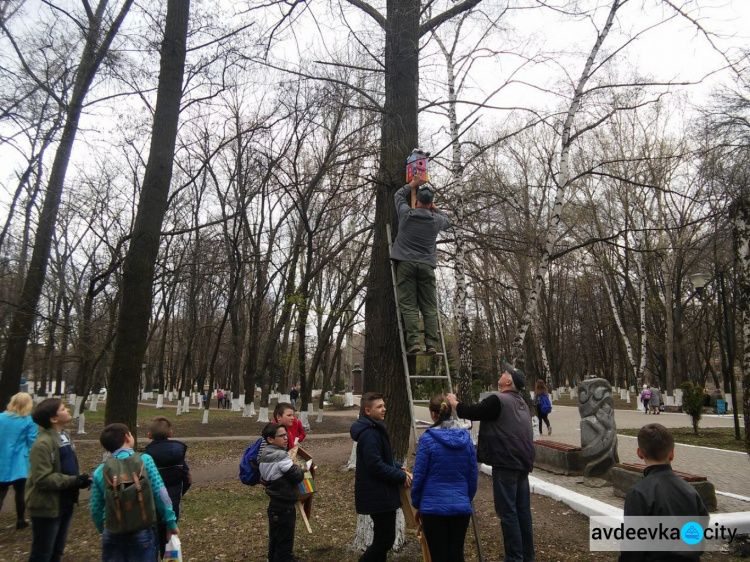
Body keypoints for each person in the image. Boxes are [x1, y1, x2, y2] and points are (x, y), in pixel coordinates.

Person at [446, 364, 535, 562]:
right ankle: (527, 557)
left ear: (509, 381)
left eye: (505, 372)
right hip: (522, 463)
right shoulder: (521, 403)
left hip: (506, 463)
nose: (502, 373)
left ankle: (514, 558)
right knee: (522, 512)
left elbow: (472, 411)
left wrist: (454, 402)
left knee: (507, 512)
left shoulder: (498, 400)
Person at [619, 424, 708, 562]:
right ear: (672, 453)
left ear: (639, 453)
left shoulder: (638, 493)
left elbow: (633, 545)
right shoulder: (690, 491)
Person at [90, 423, 178, 561]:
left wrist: (104, 529)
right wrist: (171, 522)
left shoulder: (100, 471)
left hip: (113, 533)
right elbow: (161, 494)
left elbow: (95, 508)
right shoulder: (144, 461)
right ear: (127, 437)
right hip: (141, 530)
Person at [390, 174, 451, 355]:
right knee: (430, 307)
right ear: (430, 203)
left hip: (406, 265)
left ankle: (414, 342)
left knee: (409, 305)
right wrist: (436, 209)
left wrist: (412, 184)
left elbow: (398, 196)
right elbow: (448, 221)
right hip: (426, 266)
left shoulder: (407, 215)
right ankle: (431, 344)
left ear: (416, 202)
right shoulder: (436, 220)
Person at [411, 396, 477, 562]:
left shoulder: (427, 440)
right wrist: (465, 499)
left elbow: (419, 476)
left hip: (433, 508)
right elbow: (472, 476)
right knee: (456, 554)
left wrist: (417, 504)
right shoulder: (466, 439)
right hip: (461, 508)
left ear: (433, 415)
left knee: (438, 555)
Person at [25, 398, 91, 562]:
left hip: (64, 502)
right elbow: (43, 479)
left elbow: (66, 465)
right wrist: (74, 481)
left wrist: (81, 479)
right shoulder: (43, 443)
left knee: (57, 552)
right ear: (53, 419)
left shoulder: (64, 436)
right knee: (42, 554)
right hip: (47, 506)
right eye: (63, 409)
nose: (68, 410)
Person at [350, 392, 412, 562]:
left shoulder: (375, 428)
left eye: (384, 405)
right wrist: (399, 475)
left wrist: (398, 465)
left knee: (383, 540)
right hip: (379, 494)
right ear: (368, 411)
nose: (384, 409)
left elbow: (381, 458)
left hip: (381, 494)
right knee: (384, 541)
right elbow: (374, 465)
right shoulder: (370, 433)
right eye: (379, 407)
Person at [144, 416, 192, 557]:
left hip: (152, 505)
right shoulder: (178, 454)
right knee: (170, 536)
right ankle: (168, 557)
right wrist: (179, 493)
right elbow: (188, 478)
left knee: (153, 537)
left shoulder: (146, 457)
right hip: (173, 503)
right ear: (170, 433)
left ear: (149, 435)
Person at [259, 422, 305, 562]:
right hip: (285, 506)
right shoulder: (280, 456)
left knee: (275, 541)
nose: (286, 438)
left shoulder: (264, 454)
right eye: (281, 436)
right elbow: (297, 476)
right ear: (270, 439)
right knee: (284, 544)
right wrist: (297, 466)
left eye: (286, 434)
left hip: (274, 504)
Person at [0, 392, 37, 530]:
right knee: (21, 492)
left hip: (2, 459)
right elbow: (32, 441)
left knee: (1, 492)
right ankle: (20, 520)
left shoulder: (1, 418)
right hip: (20, 462)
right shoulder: (28, 421)